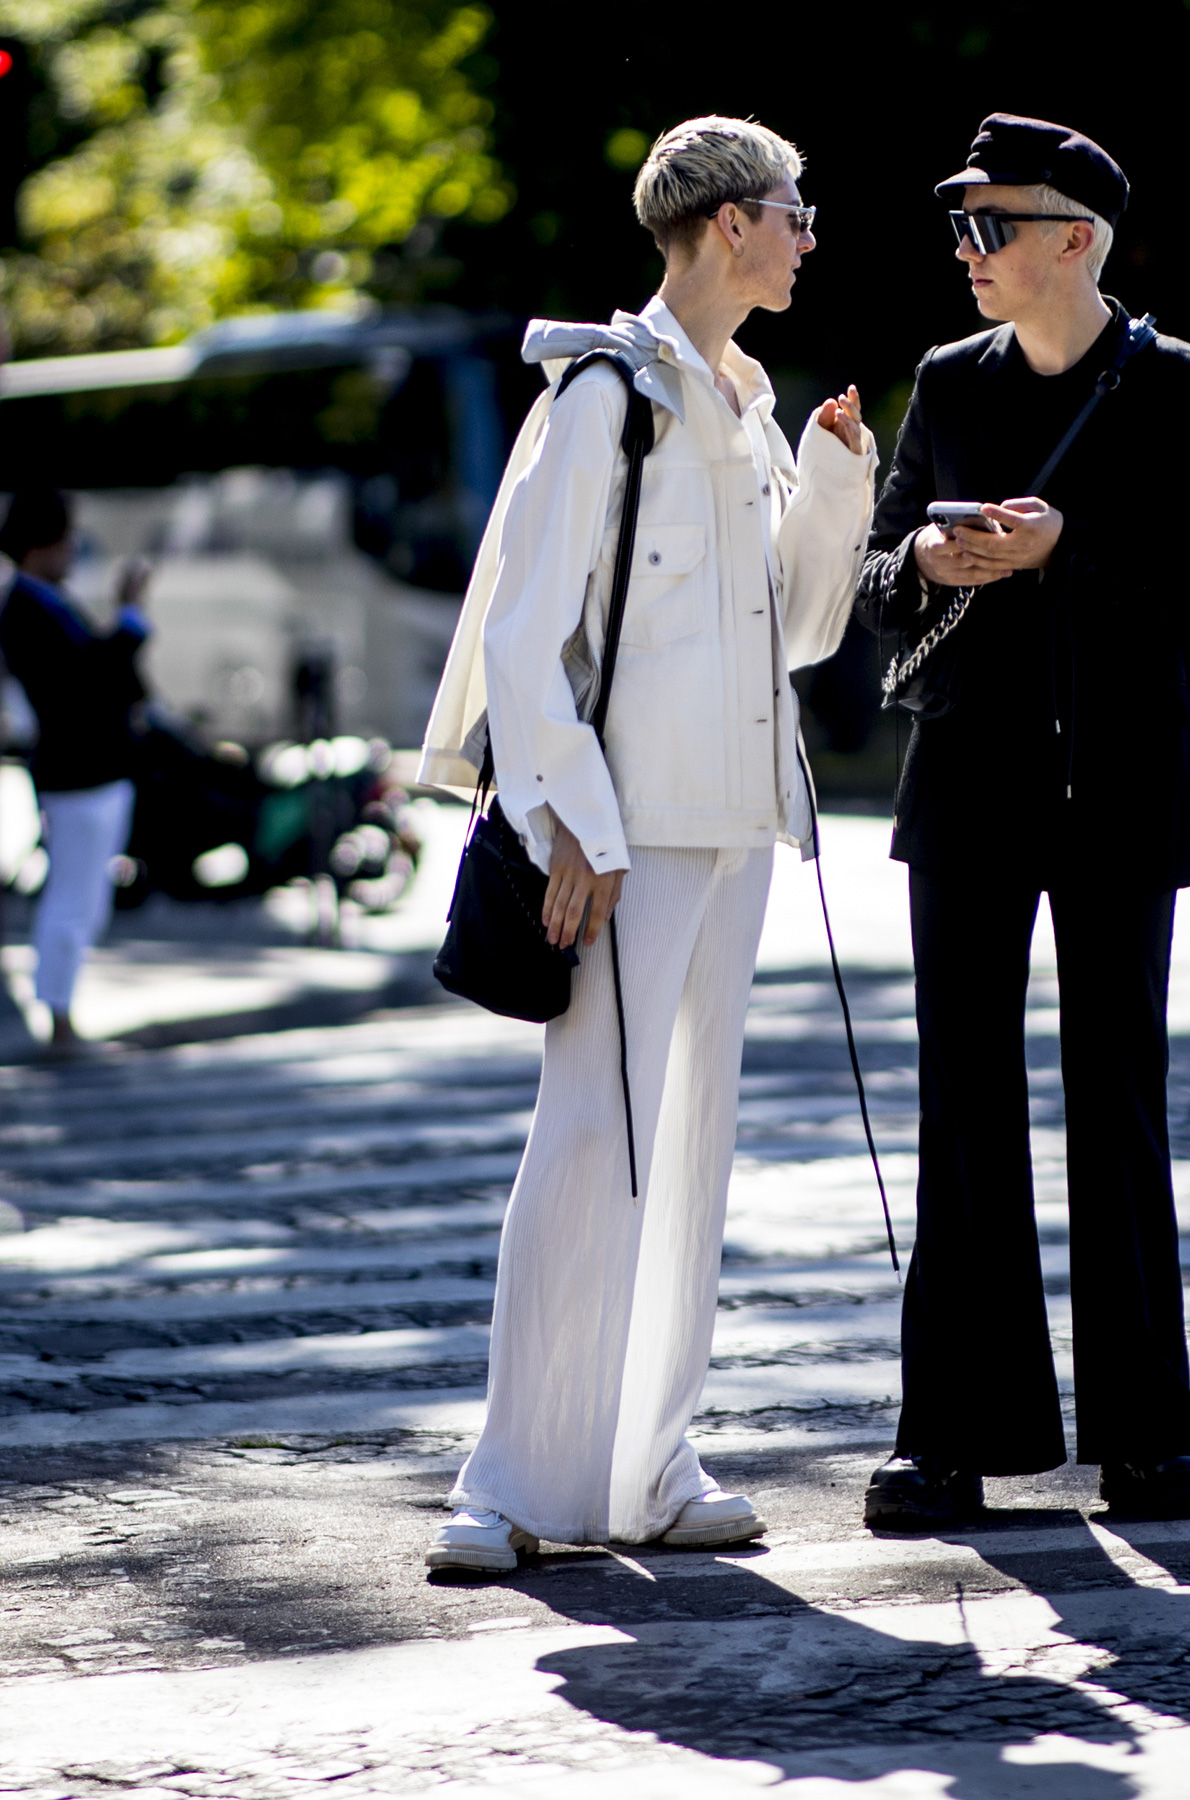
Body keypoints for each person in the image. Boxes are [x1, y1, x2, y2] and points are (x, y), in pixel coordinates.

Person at [412, 117, 876, 1574]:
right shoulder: (605, 393)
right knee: (587, 1144)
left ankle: (650, 1465)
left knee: (691, 1152)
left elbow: (797, 635)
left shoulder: (742, 401)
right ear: (729, 223)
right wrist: (578, 828)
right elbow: (524, 635)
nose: (809, 233)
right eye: (796, 210)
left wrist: (837, 476)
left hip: (736, 827)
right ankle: (510, 1480)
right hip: (627, 836)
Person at [851, 114, 1190, 1529]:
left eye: (992, 225)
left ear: (1074, 237)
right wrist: (925, 552)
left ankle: (1151, 1430)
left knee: (1116, 1102)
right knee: (960, 1105)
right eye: (959, 226)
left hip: (1125, 783)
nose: (967, 249)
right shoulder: (946, 380)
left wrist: (1069, 551)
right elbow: (882, 567)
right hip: (968, 779)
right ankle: (948, 1430)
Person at [0, 489, 151, 1056]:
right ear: (42, 545)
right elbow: (89, 678)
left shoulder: (41, 602)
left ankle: (61, 1011)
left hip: (88, 770)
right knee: (73, 898)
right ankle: (58, 1016)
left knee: (83, 898)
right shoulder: (28, 608)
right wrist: (129, 617)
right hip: (79, 772)